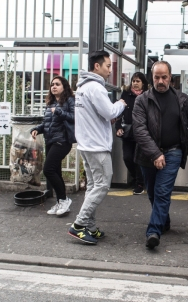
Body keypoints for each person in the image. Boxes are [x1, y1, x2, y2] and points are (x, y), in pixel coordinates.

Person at [68, 51, 126, 244]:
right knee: (102, 185)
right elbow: (110, 112)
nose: (110, 70)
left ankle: (90, 227)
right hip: (97, 146)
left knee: (93, 186)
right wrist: (120, 104)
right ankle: (79, 225)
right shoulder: (96, 88)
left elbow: (98, 115)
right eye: (108, 66)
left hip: (86, 144)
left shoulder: (83, 88)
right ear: (97, 66)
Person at [133, 61, 188, 249]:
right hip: (147, 155)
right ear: (152, 77)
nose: (160, 81)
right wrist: (155, 153)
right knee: (152, 192)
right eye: (157, 77)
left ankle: (154, 231)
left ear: (170, 77)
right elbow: (140, 130)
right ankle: (163, 221)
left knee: (162, 192)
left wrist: (184, 149)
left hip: (174, 151)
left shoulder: (182, 99)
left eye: (164, 77)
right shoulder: (142, 100)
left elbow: (186, 127)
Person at [31, 75, 76, 216]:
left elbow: (75, 117)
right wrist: (37, 129)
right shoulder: (50, 103)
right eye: (52, 85)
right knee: (56, 172)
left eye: (57, 84)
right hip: (50, 140)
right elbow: (47, 123)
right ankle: (61, 202)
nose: (54, 86)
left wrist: (59, 111)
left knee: (48, 169)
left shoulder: (69, 100)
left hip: (62, 141)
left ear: (64, 87)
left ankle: (64, 199)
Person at [115, 72, 149, 195]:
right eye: (133, 81)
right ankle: (137, 178)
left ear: (143, 83)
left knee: (139, 159)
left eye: (138, 81)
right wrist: (118, 127)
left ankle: (139, 183)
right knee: (128, 158)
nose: (135, 83)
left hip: (142, 132)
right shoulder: (126, 94)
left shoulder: (147, 96)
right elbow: (119, 111)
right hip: (128, 132)